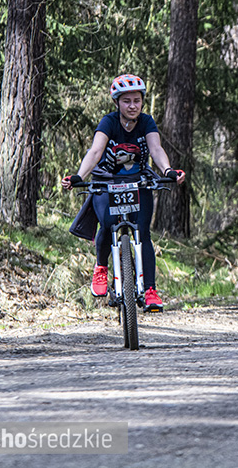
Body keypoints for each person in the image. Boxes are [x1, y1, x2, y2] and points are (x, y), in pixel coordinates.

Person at [62, 74, 186, 312]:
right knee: (107, 225)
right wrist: (80, 176)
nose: (132, 106)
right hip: (106, 182)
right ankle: (101, 267)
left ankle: (150, 290)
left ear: (142, 102)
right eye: (127, 101)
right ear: (117, 103)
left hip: (138, 182)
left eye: (137, 100)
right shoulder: (109, 122)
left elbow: (156, 148)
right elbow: (96, 151)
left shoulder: (147, 122)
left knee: (144, 234)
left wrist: (168, 170)